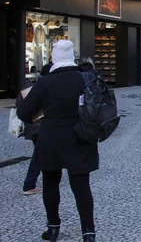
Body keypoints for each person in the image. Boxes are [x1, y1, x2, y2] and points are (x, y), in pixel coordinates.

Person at [16, 41, 99, 242]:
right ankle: (88, 232)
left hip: (51, 138)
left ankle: (53, 228)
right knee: (81, 186)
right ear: (72, 57)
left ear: (53, 57)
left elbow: (25, 113)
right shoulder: (85, 78)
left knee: (51, 183)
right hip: (80, 136)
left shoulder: (44, 82)